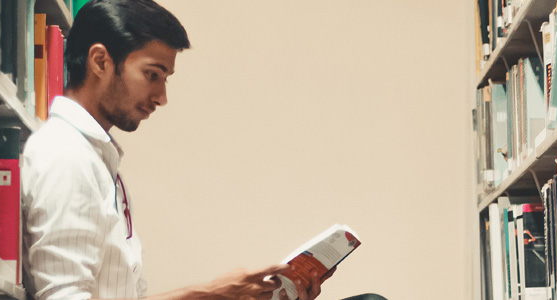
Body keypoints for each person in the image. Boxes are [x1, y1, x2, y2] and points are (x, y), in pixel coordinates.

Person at [21, 1, 386, 299]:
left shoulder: (96, 159)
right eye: (153, 75)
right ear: (100, 62)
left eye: (165, 79)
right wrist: (211, 292)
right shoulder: (65, 158)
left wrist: (228, 296)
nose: (162, 97)